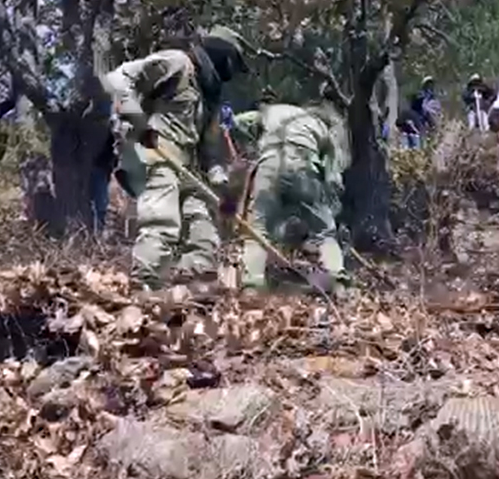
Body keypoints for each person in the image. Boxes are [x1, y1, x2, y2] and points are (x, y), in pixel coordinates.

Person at [101, 26, 250, 288]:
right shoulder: (177, 63)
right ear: (221, 53)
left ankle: (194, 282)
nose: (232, 74)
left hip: (188, 168)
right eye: (233, 64)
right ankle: (145, 287)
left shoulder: (210, 97)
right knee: (162, 222)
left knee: (203, 227)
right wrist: (138, 122)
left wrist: (221, 184)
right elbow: (118, 78)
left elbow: (210, 148)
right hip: (156, 153)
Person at [229, 100, 351, 297]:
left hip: (268, 166)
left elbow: (237, 122)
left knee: (257, 229)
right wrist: (328, 210)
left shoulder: (273, 111)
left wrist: (252, 143)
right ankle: (337, 281)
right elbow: (333, 180)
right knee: (324, 233)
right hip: (303, 167)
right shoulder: (323, 130)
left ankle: (251, 286)